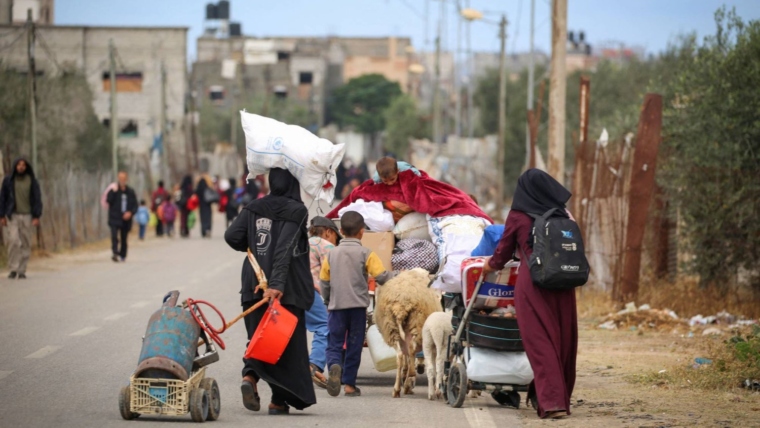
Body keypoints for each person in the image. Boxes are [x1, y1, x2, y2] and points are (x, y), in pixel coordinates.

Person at [482, 168, 578, 420]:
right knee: (562, 341)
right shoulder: (563, 213)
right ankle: (554, 396)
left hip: (533, 285)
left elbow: (502, 253)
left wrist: (487, 266)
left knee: (540, 342)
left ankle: (553, 402)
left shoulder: (518, 215)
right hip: (564, 285)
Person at [224, 168, 316, 415]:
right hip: (283, 288)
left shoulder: (255, 206)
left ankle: (250, 379)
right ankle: (277, 401)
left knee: (258, 338)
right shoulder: (297, 210)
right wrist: (276, 285)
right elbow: (285, 248)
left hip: (253, 282)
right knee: (283, 343)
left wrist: (253, 243)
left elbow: (232, 236)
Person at [319, 211, 395, 397]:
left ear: (341, 231)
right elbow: (381, 276)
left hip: (337, 308)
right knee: (354, 345)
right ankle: (350, 385)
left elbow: (324, 281)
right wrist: (400, 276)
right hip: (358, 309)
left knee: (334, 343)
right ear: (362, 232)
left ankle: (335, 366)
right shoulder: (366, 253)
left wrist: (328, 300)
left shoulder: (332, 254)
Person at [306, 216, 341, 389]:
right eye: (336, 237)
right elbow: (332, 275)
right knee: (324, 326)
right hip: (310, 292)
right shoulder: (326, 246)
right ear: (328, 232)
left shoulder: (302, 242)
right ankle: (314, 365)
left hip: (290, 291)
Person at [0, 158, 42, 279]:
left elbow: (37, 199)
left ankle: (22, 269)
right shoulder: (8, 181)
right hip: (12, 215)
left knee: (25, 242)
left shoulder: (32, 181)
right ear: (15, 166)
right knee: (13, 241)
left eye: (23, 165)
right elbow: (2, 198)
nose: (21, 167)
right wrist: (2, 215)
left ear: (26, 167)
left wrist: (36, 215)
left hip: (28, 216)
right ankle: (13, 268)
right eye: (19, 165)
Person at [106, 171, 138, 262]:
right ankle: (115, 252)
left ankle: (123, 254)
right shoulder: (113, 190)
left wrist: (130, 213)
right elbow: (109, 201)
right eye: (120, 178)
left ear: (126, 179)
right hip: (115, 217)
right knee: (114, 235)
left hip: (126, 219)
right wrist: (114, 192)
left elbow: (135, 205)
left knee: (124, 238)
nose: (122, 180)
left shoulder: (130, 192)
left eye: (123, 178)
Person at [196, 173, 215, 238]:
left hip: (201, 205)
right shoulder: (208, 187)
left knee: (202, 218)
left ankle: (203, 231)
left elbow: (196, 194)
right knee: (208, 218)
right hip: (208, 205)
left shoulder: (199, 188)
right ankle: (208, 229)